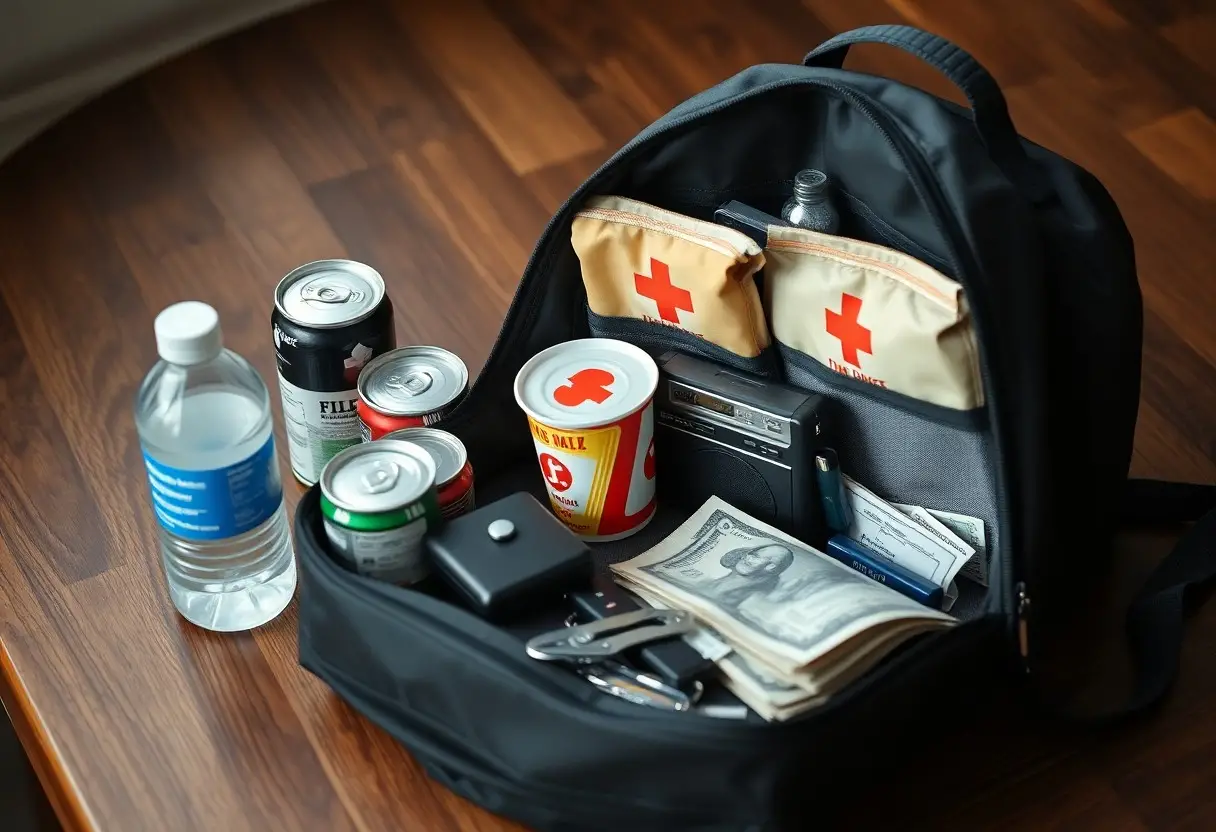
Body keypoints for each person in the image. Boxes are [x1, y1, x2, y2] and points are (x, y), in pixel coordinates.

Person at [703, 542, 794, 610]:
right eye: (755, 555)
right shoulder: (709, 582)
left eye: (773, 564)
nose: (750, 559)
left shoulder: (750, 602)